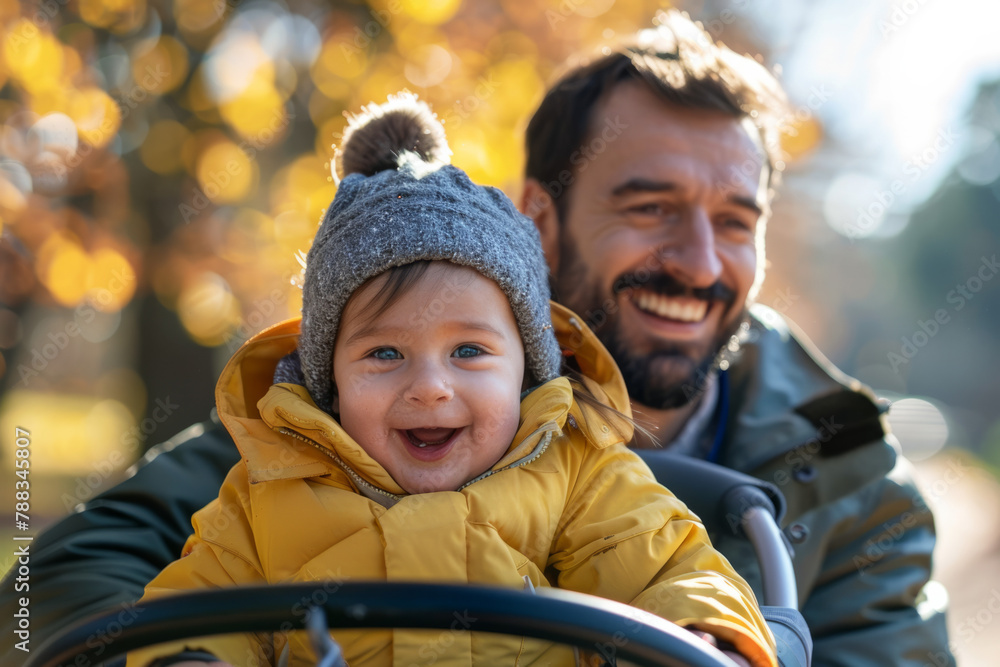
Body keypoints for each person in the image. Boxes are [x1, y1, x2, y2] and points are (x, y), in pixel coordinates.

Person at [0, 11, 952, 667]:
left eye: (735, 220)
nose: (698, 260)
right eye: (649, 205)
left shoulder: (851, 474)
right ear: (541, 218)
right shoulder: (324, 435)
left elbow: (684, 575)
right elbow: (57, 584)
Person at [125, 93, 776, 667]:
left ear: (527, 366)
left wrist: (702, 636)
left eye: (468, 349)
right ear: (329, 379)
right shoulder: (268, 495)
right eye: (383, 354)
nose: (430, 386)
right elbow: (203, 599)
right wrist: (194, 655)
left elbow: (669, 568)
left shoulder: (577, 478)